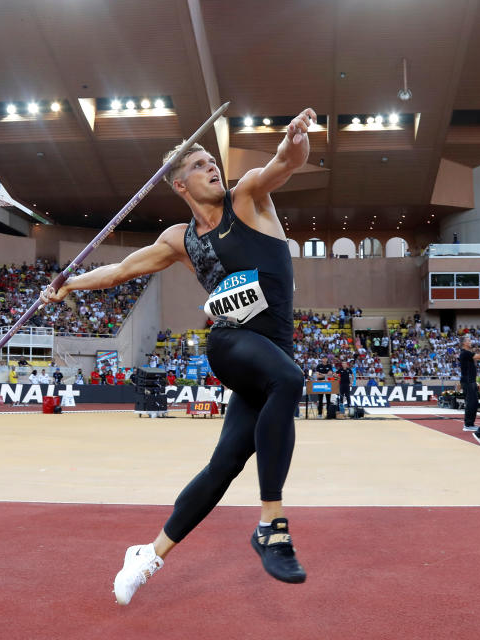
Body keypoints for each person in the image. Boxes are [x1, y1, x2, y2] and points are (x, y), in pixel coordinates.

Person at [40, 106, 317, 605]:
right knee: (289, 380)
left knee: (224, 464)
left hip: (270, 355)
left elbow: (286, 161)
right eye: (198, 164)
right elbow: (123, 269)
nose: (212, 166)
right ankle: (271, 523)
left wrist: (297, 138)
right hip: (232, 343)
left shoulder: (249, 197)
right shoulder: (179, 239)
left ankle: (148, 553)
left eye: (213, 159)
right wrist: (70, 283)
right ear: (179, 185)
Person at [459, 335, 480, 432]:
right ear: (464, 343)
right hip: (468, 381)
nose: (471, 341)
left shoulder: (467, 353)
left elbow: (478, 354)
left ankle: (470, 424)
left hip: (470, 380)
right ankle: (468, 424)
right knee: (471, 402)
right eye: (469, 340)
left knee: (474, 402)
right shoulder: (465, 353)